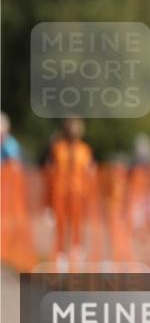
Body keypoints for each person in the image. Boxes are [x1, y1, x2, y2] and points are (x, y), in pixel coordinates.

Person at [45, 116, 97, 270]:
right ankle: (61, 254)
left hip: (78, 193)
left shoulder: (85, 150)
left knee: (77, 224)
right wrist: (48, 202)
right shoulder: (58, 148)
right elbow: (50, 171)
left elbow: (90, 170)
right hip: (60, 192)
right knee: (61, 224)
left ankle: (76, 251)